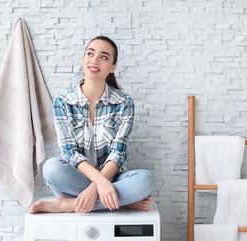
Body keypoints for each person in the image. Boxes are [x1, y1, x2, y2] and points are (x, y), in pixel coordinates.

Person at [29, 36, 154, 214]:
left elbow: (118, 153)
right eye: (90, 53)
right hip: (76, 178)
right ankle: (123, 202)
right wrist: (100, 183)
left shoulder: (124, 103)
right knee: (51, 168)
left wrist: (98, 186)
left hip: (113, 179)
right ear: (83, 60)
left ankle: (69, 205)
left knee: (145, 180)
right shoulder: (63, 102)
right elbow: (69, 152)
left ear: (113, 67)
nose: (94, 60)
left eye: (104, 57)